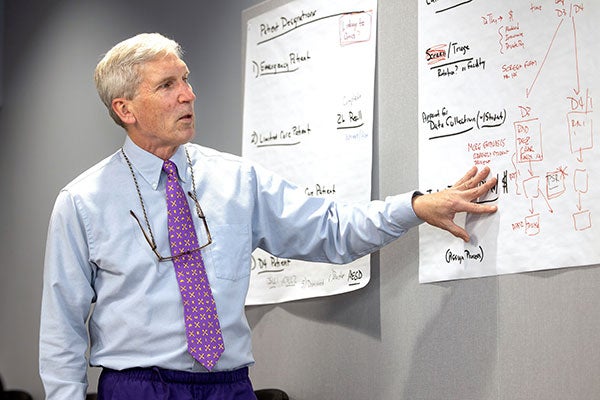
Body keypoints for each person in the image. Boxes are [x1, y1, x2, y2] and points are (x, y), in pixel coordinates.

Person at [39, 33, 497, 400]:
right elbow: (62, 327)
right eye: (167, 86)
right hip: (140, 388)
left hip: (230, 384)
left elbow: (331, 230)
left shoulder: (237, 180)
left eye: (186, 79)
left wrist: (416, 206)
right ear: (125, 109)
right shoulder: (81, 202)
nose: (188, 95)